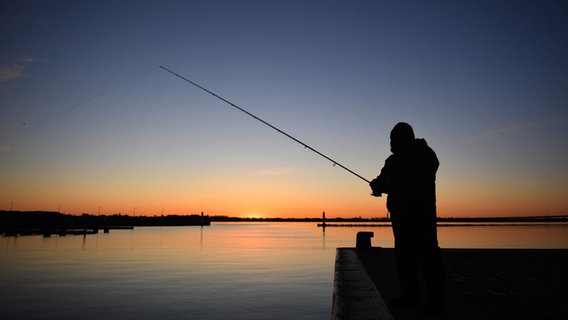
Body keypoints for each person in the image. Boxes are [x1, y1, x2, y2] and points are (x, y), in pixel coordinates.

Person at [370, 122, 446, 315]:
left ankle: (436, 301)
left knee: (428, 257)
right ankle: (410, 294)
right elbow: (383, 178)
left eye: (394, 139)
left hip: (422, 215)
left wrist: (387, 185)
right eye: (391, 139)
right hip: (400, 216)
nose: (392, 143)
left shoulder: (425, 155)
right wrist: (377, 185)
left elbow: (413, 179)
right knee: (404, 257)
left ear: (406, 138)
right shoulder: (391, 161)